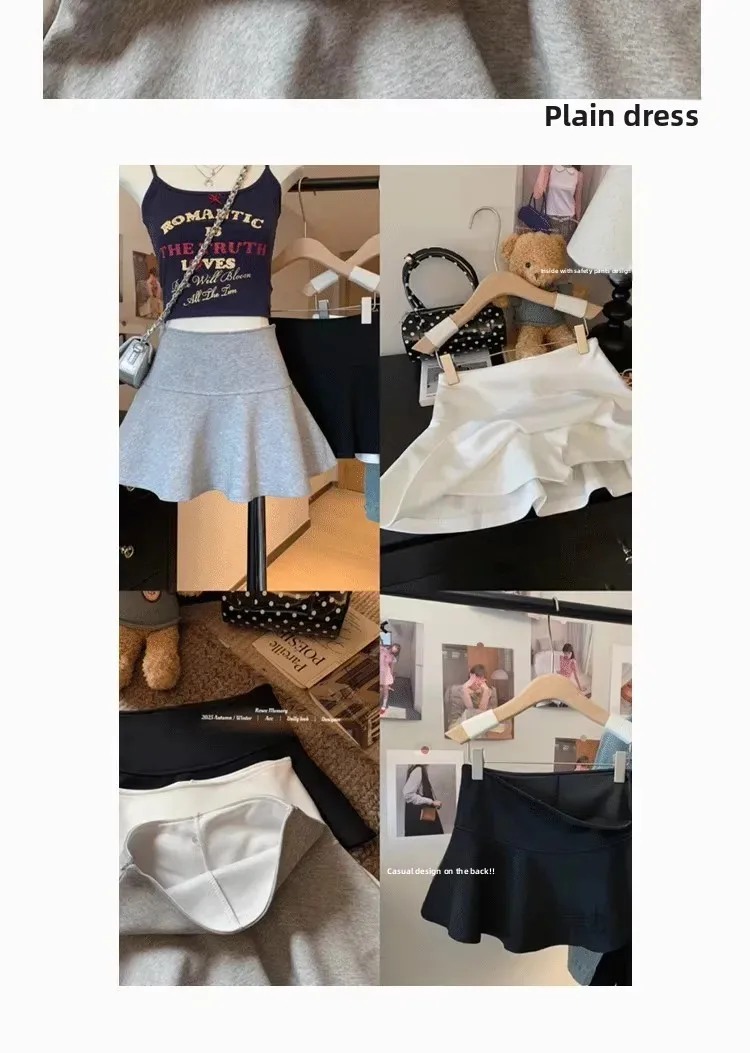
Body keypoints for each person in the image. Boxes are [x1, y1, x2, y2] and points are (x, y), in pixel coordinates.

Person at [402, 765, 443, 836]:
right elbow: (408, 794)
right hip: (422, 821)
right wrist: (431, 802)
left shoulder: (421, 770)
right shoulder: (418, 770)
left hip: (424, 819)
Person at [379, 643, 401, 713]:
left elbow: (392, 669)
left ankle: (383, 706)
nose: (395, 649)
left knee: (385, 691)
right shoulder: (382, 649)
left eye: (397, 649)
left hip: (386, 674)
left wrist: (391, 680)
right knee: (380, 690)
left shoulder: (393, 658)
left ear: (397, 651)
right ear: (392, 646)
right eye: (395, 647)